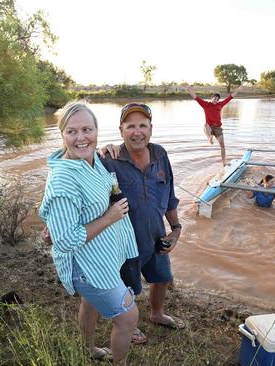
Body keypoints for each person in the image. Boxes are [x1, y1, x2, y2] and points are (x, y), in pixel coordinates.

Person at [38, 102, 139, 365]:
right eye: (72, 132)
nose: (81, 138)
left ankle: (89, 349)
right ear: (62, 135)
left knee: (90, 304)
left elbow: (69, 212)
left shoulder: (91, 161)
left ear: (96, 131)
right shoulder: (63, 179)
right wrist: (110, 216)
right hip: (86, 264)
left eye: (87, 129)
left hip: (100, 254)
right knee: (129, 317)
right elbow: (66, 240)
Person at [101, 102, 185, 341]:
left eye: (142, 125)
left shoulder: (160, 154)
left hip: (157, 234)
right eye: (130, 126)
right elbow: (84, 181)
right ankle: (129, 324)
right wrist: (100, 150)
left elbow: (169, 195)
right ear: (121, 130)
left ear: (151, 129)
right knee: (129, 288)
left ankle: (157, 314)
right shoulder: (109, 159)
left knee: (162, 279)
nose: (137, 131)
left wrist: (176, 229)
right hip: (126, 240)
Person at [187, 86, 241, 166]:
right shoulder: (205, 104)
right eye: (214, 98)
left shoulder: (220, 104)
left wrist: (238, 90)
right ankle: (210, 138)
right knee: (205, 125)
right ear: (211, 98)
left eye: (217, 99)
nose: (216, 100)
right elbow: (196, 97)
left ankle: (224, 163)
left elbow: (230, 97)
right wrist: (189, 90)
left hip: (218, 128)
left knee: (222, 146)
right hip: (209, 128)